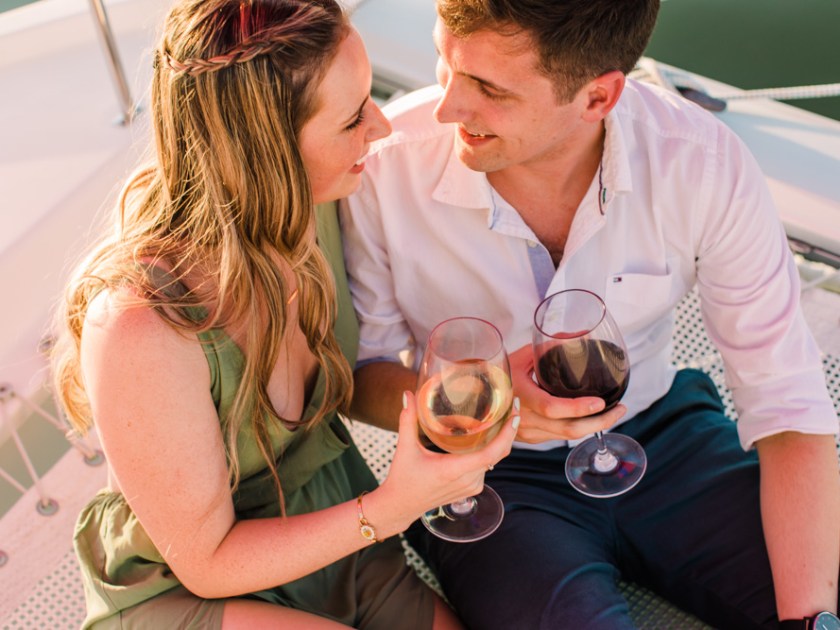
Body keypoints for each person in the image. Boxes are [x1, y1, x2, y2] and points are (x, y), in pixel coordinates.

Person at [339, 0, 840, 627]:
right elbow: (362, 378)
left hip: (667, 435)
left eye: (489, 89)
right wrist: (484, 402)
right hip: (486, 483)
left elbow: (789, 406)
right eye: (445, 62)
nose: (446, 109)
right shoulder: (384, 169)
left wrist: (812, 623)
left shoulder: (703, 164)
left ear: (598, 98)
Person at [50, 0, 519, 627]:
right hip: (197, 584)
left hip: (322, 524)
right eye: (353, 118)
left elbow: (354, 381)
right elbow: (207, 562)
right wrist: (394, 505)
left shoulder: (315, 208)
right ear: (265, 154)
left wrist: (465, 388)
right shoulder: (139, 326)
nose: (379, 128)